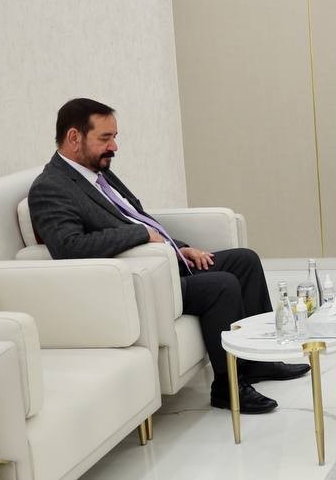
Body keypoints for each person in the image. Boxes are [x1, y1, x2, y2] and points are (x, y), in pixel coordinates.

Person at [28, 98, 307, 415]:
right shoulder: (50, 188)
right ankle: (227, 387)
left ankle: (257, 362)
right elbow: (69, 247)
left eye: (114, 137)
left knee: (245, 260)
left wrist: (178, 247)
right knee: (222, 285)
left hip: (163, 262)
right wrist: (142, 236)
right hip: (139, 282)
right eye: (105, 138)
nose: (114, 147)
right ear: (74, 137)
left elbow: (137, 217)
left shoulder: (98, 172)